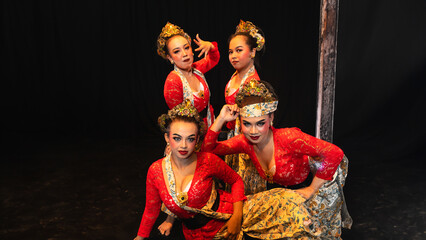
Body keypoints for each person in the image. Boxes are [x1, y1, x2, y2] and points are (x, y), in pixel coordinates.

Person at [133, 100, 322, 240]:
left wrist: (237, 217)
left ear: (197, 139)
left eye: (190, 139)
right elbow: (151, 209)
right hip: (196, 234)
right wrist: (140, 237)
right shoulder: (156, 171)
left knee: (292, 216)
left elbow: (236, 180)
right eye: (177, 138)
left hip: (231, 215)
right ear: (167, 138)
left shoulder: (207, 161)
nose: (184, 145)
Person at [202, 80, 353, 239]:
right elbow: (207, 151)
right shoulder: (244, 143)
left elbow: (335, 153)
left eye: (260, 123)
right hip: (284, 196)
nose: (253, 131)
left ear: (271, 118)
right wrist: (220, 119)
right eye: (247, 124)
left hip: (312, 190)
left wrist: (311, 189)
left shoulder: (288, 138)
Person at [223, 20, 267, 195]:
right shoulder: (236, 74)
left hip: (247, 138)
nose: (233, 55)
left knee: (245, 181)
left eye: (239, 50)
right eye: (231, 52)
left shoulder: (252, 82)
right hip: (233, 134)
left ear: (253, 52)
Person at [157, 22, 220, 128]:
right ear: (170, 58)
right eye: (177, 51)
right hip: (191, 133)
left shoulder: (197, 69)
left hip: (210, 125)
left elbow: (214, 59)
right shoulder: (173, 81)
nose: (184, 54)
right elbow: (179, 120)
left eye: (186, 48)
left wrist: (210, 46)